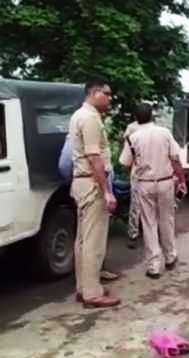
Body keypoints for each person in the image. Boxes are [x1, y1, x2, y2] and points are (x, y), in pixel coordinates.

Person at [119, 103, 187, 279]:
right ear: (152, 116)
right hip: (165, 182)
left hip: (145, 183)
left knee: (149, 224)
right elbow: (175, 158)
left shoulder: (133, 138)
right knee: (167, 220)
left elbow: (125, 163)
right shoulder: (164, 133)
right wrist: (181, 179)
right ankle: (170, 257)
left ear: (136, 118)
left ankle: (154, 266)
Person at [69, 79, 121, 308]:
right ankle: (92, 293)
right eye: (107, 94)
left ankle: (84, 287)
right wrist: (107, 191)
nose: (110, 99)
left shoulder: (78, 115)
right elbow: (94, 158)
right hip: (91, 183)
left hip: (81, 183)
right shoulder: (90, 118)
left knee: (82, 240)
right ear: (94, 92)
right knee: (93, 241)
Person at [58, 132, 119, 282]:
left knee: (91, 237)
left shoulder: (81, 133)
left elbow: (65, 166)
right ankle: (91, 287)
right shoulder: (85, 131)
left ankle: (91, 279)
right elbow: (65, 166)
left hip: (91, 188)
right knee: (91, 239)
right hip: (93, 189)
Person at [122, 120, 142, 249]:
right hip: (155, 173)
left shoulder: (131, 130)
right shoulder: (159, 131)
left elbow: (126, 160)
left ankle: (133, 235)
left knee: (135, 205)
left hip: (138, 171)